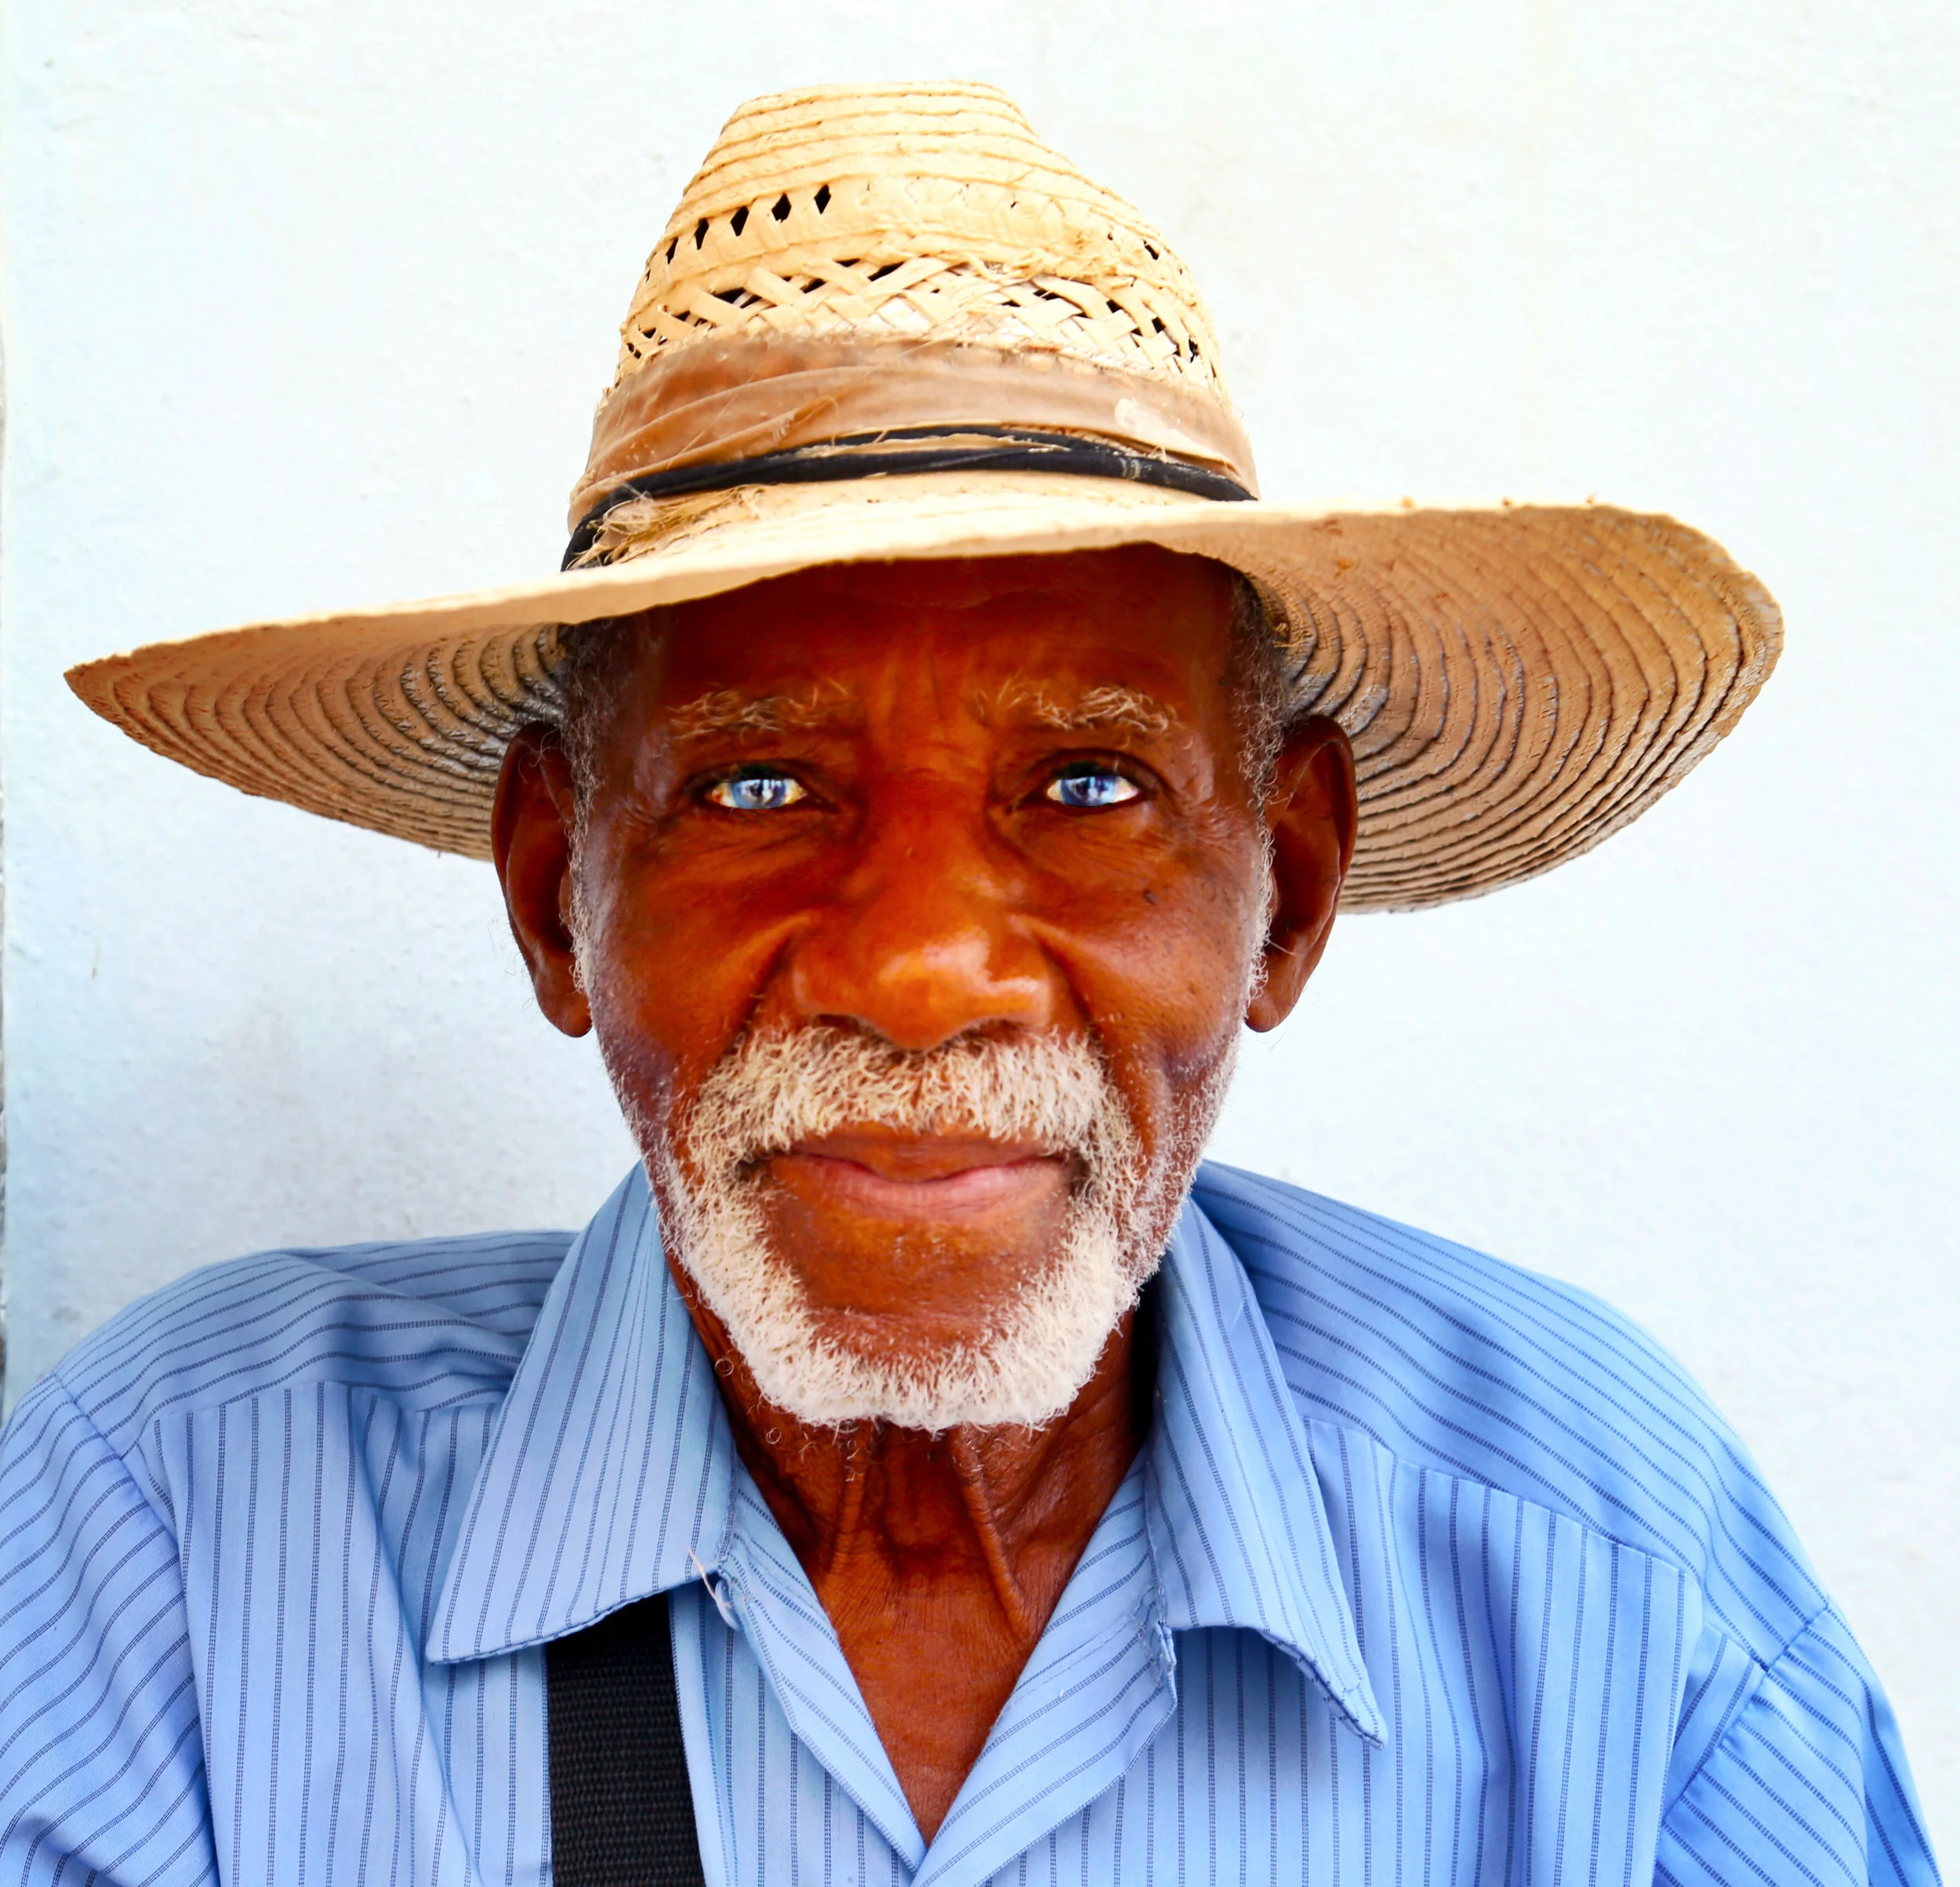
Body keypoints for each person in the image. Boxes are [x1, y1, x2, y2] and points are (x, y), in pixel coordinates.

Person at [2, 80, 1936, 1887]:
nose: (921, 975)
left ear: (1284, 898)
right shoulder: (181, 1529)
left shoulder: (1598, 1559)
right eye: (759, 786)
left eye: (1086, 788)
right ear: (551, 895)